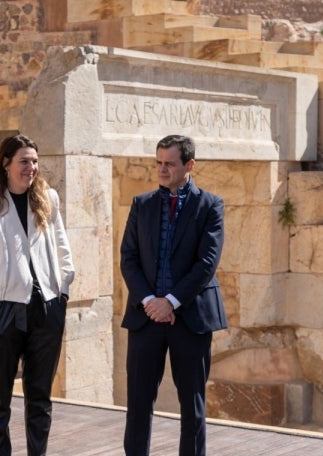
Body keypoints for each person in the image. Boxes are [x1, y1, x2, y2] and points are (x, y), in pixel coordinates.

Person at [0, 133, 75, 456]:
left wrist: (63, 293)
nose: (32, 168)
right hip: (2, 313)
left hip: (46, 309)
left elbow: (64, 252)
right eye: (24, 161)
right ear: (6, 164)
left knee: (40, 399)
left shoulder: (48, 199)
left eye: (35, 162)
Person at [120, 134, 227, 456]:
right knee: (138, 403)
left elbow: (207, 262)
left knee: (192, 404)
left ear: (189, 165)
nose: (162, 169)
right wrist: (151, 301)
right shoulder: (142, 204)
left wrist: (172, 301)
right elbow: (128, 258)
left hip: (191, 317)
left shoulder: (211, 205)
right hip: (145, 317)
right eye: (158, 163)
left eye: (169, 163)